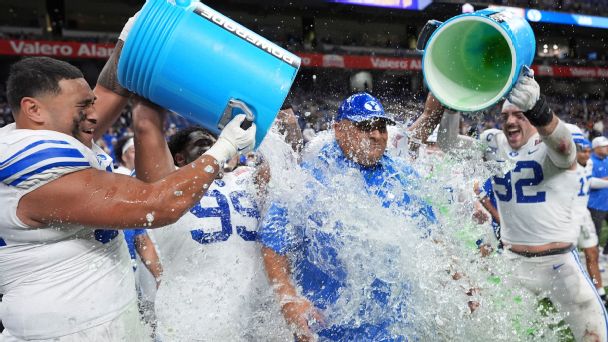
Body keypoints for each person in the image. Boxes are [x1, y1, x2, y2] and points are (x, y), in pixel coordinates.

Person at [0, 56, 256, 341]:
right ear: (34, 109)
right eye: (83, 107)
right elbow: (157, 206)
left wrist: (133, 38)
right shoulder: (34, 166)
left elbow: (111, 91)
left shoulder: (56, 131)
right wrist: (224, 149)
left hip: (97, 318)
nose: (94, 115)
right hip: (63, 331)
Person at [437, 72, 608, 341]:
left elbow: (564, 148)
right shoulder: (493, 142)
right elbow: (448, 145)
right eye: (505, 116)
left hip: (558, 263)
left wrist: (539, 110)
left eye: (519, 114)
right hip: (512, 263)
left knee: (594, 336)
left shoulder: (548, 142)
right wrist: (451, 104)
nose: (510, 121)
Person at [260, 92, 438, 341]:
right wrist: (288, 299)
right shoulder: (310, 178)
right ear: (338, 130)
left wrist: (458, 279)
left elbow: (432, 234)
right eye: (364, 127)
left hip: (397, 330)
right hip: (331, 330)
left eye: (380, 127)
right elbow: (272, 241)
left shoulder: (404, 177)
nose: (375, 135)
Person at [130, 104, 291, 341]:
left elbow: (286, 158)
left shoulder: (244, 176)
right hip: (192, 324)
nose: (215, 146)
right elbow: (145, 125)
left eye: (215, 141)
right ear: (179, 159)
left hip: (254, 321)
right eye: (202, 144)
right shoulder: (167, 186)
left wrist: (280, 108)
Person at [588, 136, 608, 253]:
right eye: (605, 146)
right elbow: (589, 182)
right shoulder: (590, 162)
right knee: (595, 233)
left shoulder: (607, 159)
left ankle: (606, 253)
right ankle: (593, 258)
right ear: (596, 148)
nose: (607, 148)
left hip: (606, 201)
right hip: (595, 204)